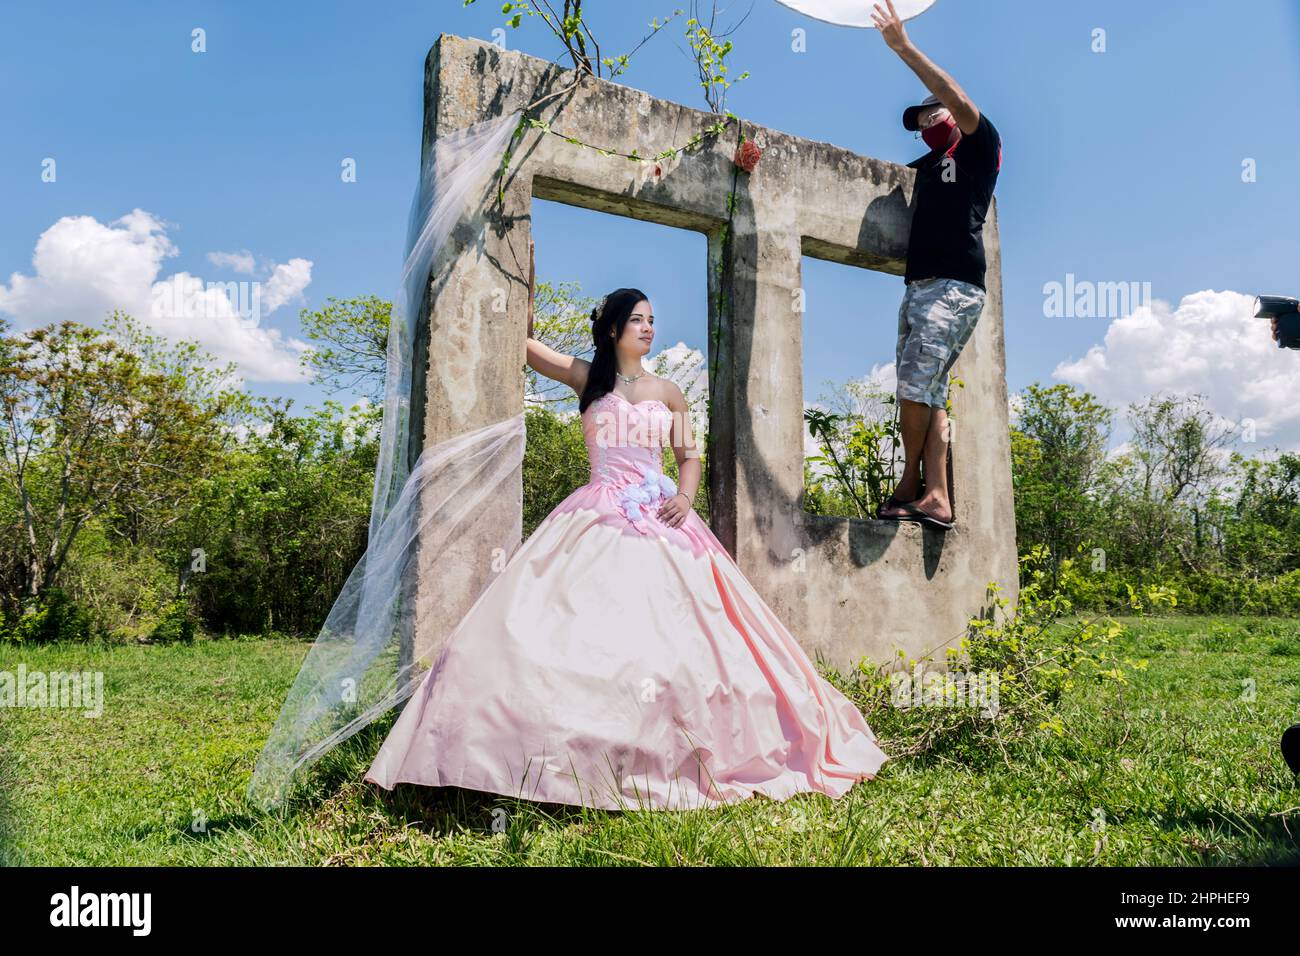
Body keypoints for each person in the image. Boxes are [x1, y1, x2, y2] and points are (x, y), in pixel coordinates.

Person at [363, 239, 889, 811]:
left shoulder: (668, 391)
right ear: (613, 329)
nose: (648, 328)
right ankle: (547, 755)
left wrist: (686, 500)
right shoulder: (588, 378)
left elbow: (689, 455)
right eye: (637, 320)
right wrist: (529, 282)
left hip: (665, 518)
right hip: (597, 512)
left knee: (689, 639)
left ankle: (674, 753)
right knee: (559, 626)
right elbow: (520, 343)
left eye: (652, 321)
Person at [870, 0, 1003, 531]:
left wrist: (903, 47)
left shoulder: (977, 148)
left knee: (911, 387)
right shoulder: (924, 167)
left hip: (952, 287)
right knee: (930, 393)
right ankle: (939, 496)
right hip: (920, 288)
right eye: (920, 120)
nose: (928, 121)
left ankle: (908, 483)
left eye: (935, 113)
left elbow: (959, 98)